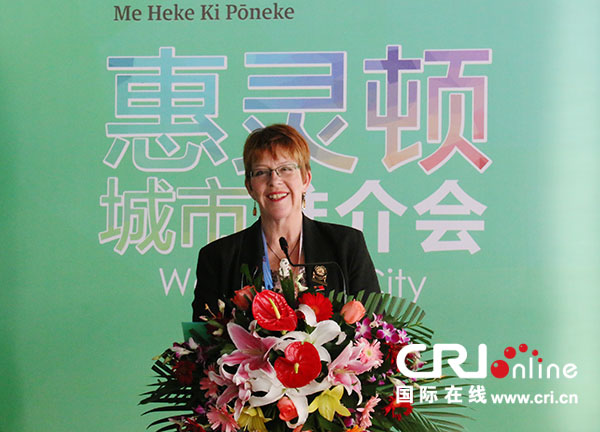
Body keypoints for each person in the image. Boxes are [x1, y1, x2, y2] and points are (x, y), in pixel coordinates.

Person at [192, 124, 380, 320]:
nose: (274, 181)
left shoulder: (346, 245)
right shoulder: (219, 258)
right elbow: (205, 333)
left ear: (305, 179)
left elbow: (373, 325)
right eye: (261, 172)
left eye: (286, 169)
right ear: (250, 187)